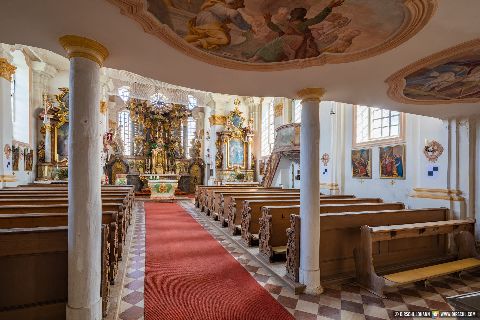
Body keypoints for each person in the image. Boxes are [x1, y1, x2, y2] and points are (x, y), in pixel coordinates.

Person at [250, 0, 345, 62]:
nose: (292, 12)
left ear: (298, 14)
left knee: (271, 46)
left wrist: (329, 7)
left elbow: (318, 19)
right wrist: (268, 21)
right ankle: (263, 58)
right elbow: (276, 29)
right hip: (290, 41)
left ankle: (256, 58)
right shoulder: (291, 23)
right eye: (293, 11)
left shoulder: (301, 23)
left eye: (295, 11)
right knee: (275, 48)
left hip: (292, 40)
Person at [184, 0, 252, 50]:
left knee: (226, 39)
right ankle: (197, 43)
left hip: (214, 27)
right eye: (236, 4)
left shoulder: (231, 11)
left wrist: (249, 27)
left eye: (237, 6)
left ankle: (200, 41)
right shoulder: (216, 4)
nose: (236, 7)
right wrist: (231, 12)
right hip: (207, 23)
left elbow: (240, 23)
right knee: (224, 39)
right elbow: (224, 12)